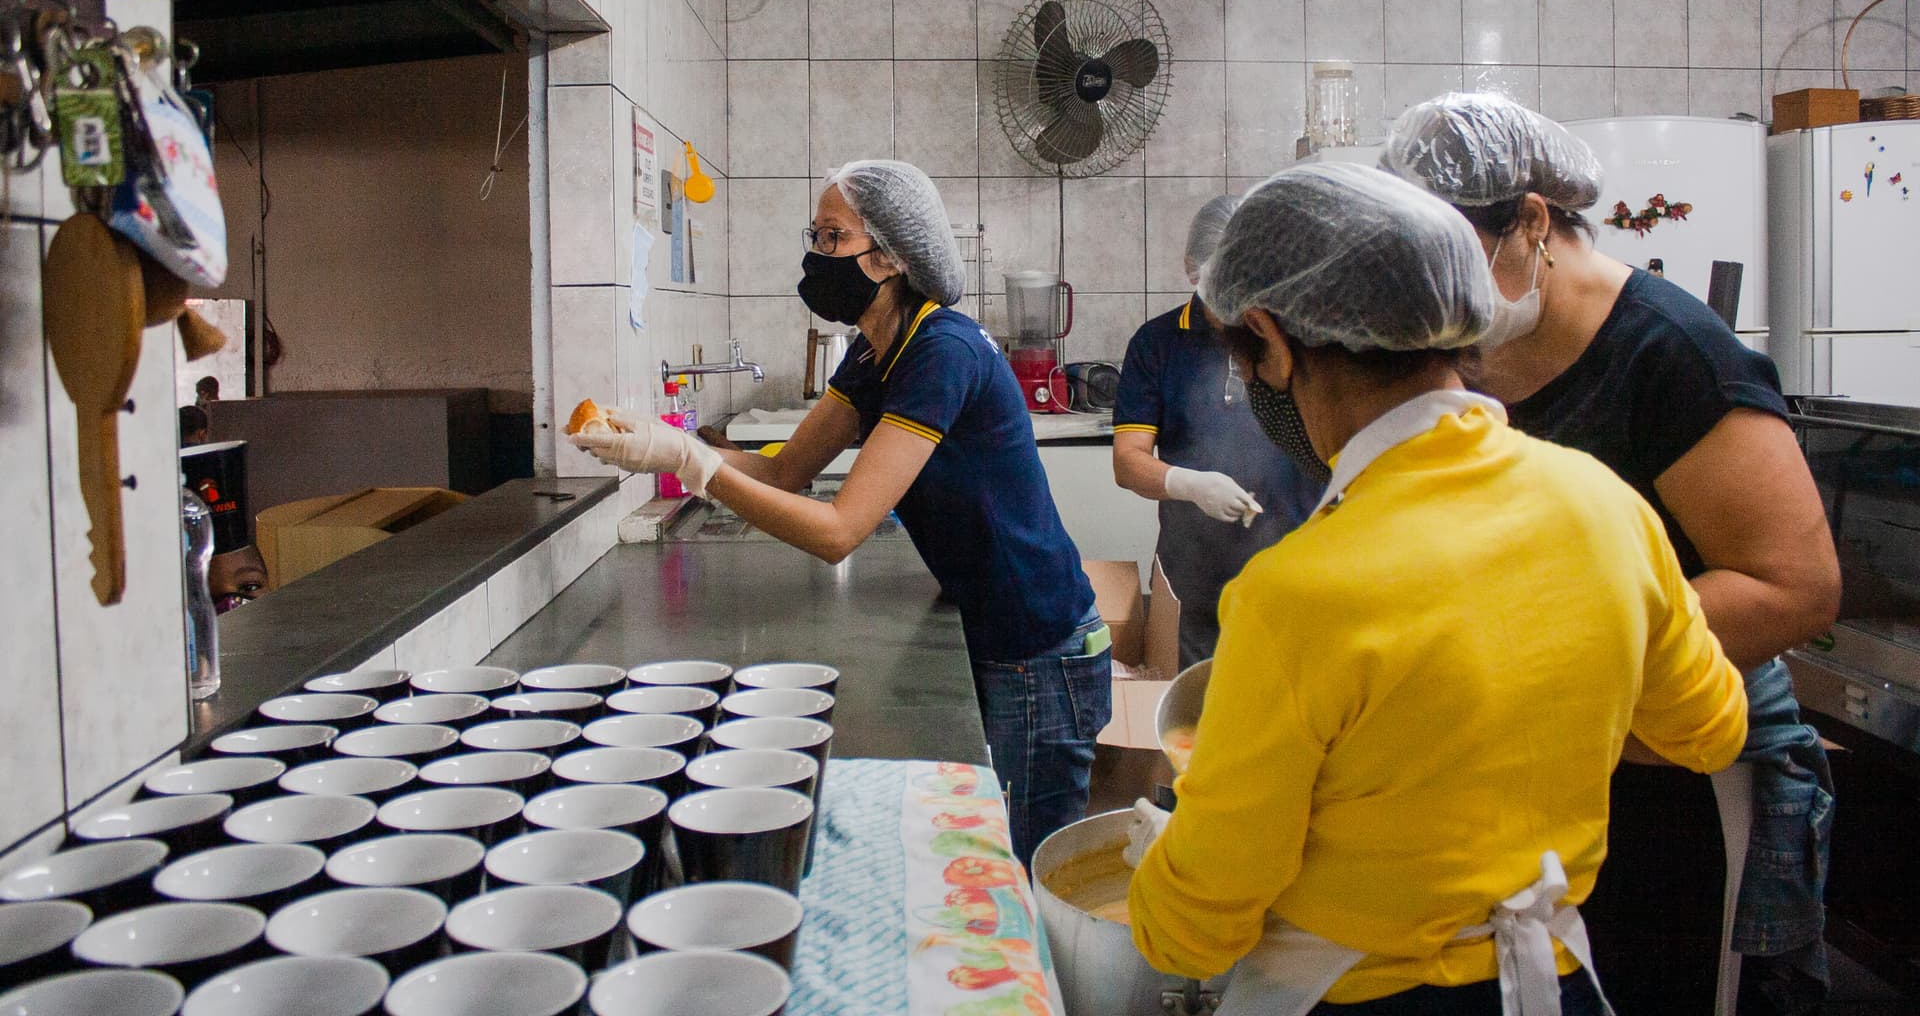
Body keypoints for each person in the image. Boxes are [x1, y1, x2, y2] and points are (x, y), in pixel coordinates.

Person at [1124, 161, 1750, 1015]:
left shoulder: (1298, 592)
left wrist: (1159, 870)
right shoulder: (1606, 504)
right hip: (1558, 984)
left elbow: (1197, 929)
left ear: (1268, 339)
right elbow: (1709, 732)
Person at [1384, 92, 1842, 1015]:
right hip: (1552, 766)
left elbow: (1796, 588)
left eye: (1452, 259)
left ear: (1533, 223)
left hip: (1685, 769)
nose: (1439, 296)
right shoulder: (1471, 349)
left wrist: (1541, 649)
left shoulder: (1671, 356)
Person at [574, 160, 1108, 864]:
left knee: (1022, 874)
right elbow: (783, 471)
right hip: (993, 627)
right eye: (816, 235)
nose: (815, 255)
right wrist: (661, 441)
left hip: (1038, 647)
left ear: (888, 256)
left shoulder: (939, 349)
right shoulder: (875, 350)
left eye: (832, 238)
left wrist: (688, 465)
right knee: (979, 865)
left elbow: (839, 532)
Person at [1112, 194, 1323, 666]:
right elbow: (1128, 462)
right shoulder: (1159, 343)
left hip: (1296, 572)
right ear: (1193, 269)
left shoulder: (1300, 336)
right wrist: (1190, 484)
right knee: (1194, 726)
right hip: (1194, 581)